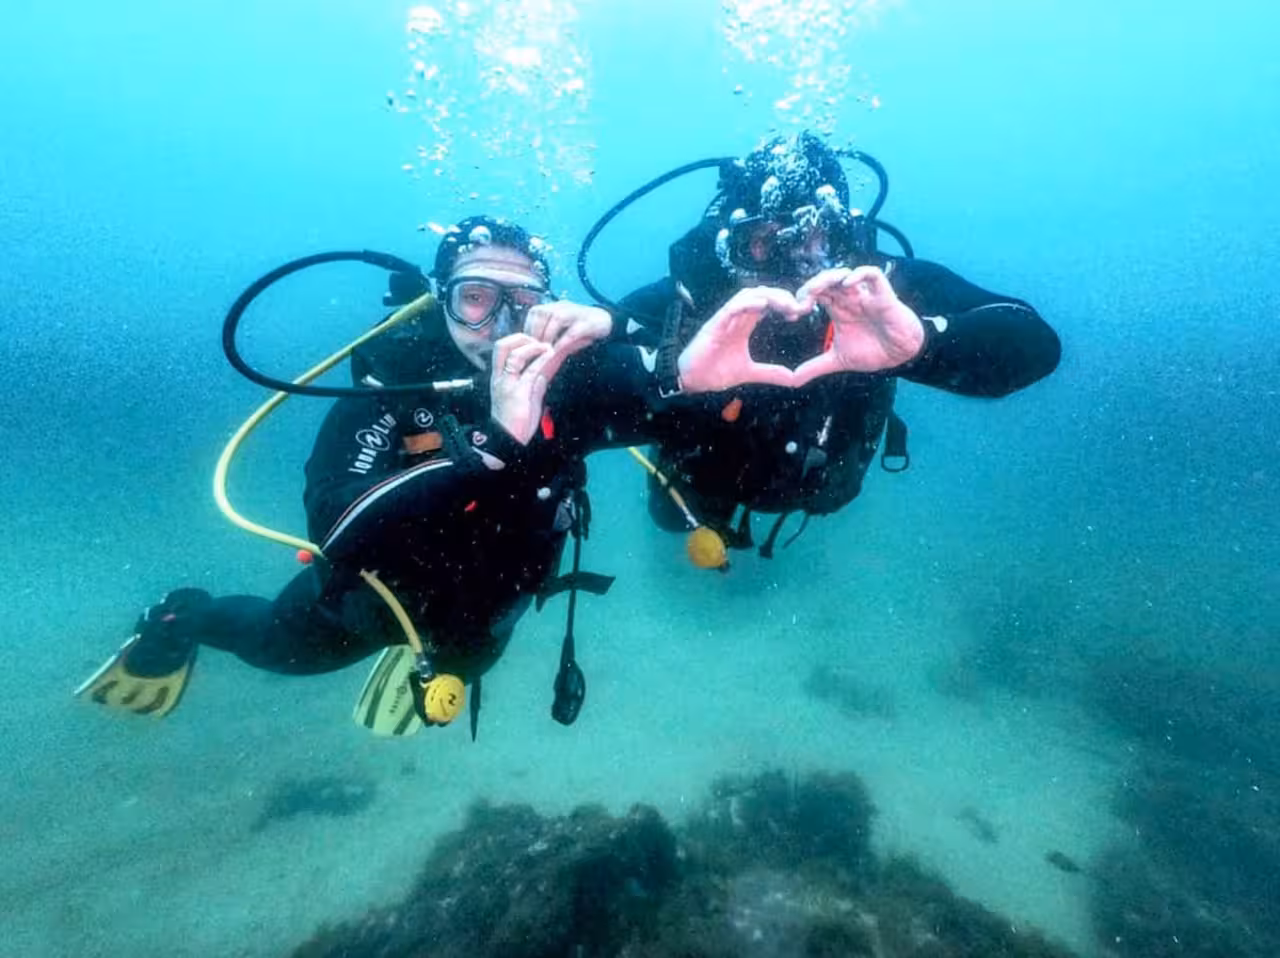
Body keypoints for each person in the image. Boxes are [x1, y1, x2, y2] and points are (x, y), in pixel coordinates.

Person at [76, 216, 801, 732]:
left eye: (523, 301)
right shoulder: (395, 384)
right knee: (276, 647)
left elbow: (663, 410)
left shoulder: (568, 383)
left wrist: (693, 383)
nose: (501, 322)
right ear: (443, 298)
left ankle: (430, 666)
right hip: (371, 598)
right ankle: (181, 615)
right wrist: (491, 446)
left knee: (472, 661)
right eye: (477, 297)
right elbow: (337, 523)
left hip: (492, 607)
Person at [613, 130, 1062, 556]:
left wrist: (922, 344)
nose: (798, 262)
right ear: (732, 241)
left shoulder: (876, 291)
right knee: (671, 517)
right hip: (706, 486)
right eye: (768, 241)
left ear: (844, 234)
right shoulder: (697, 295)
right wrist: (653, 365)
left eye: (816, 235)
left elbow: (1034, 342)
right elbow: (580, 379)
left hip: (822, 480)